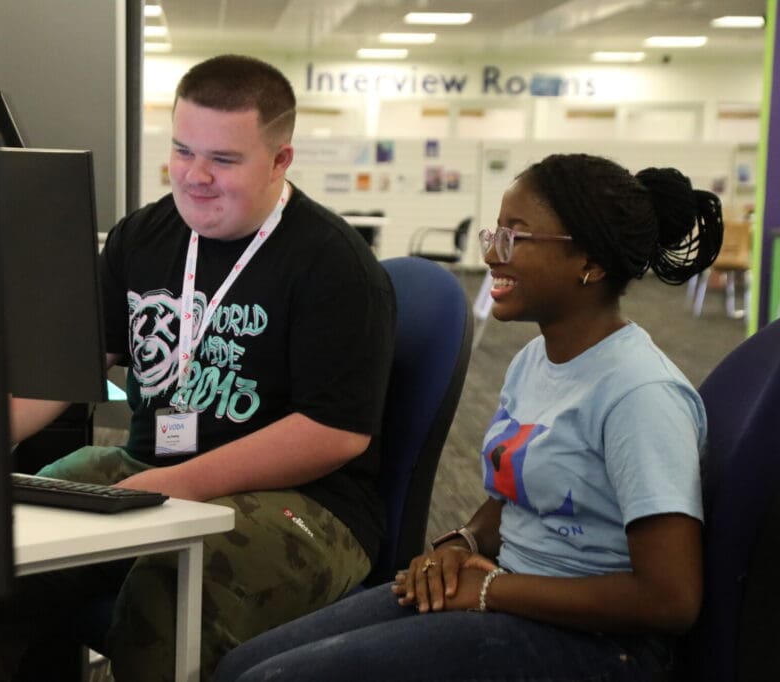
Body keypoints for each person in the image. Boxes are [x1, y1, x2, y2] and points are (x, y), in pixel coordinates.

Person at [213, 153, 725, 682]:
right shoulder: (534, 360)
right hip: (514, 592)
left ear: (589, 261)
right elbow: (519, 494)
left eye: (515, 237)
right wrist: (464, 544)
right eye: (494, 233)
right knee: (241, 666)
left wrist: (490, 590)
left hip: (600, 646)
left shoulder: (640, 393)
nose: (491, 255)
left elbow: (670, 599)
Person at [6, 54, 396, 682]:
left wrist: (174, 486)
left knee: (169, 594)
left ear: (280, 161)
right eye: (183, 150)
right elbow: (67, 367)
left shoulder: (334, 265)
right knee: (4, 547)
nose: (195, 177)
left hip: (307, 506)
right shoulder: (142, 237)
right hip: (150, 467)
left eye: (224, 159)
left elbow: (333, 432)